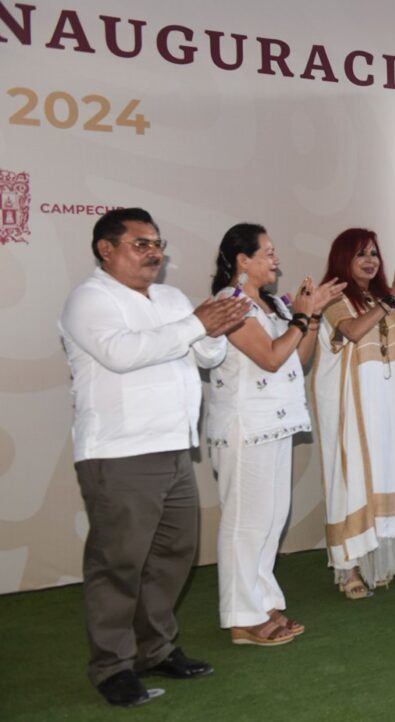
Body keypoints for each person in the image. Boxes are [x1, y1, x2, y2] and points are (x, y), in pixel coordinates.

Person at [59, 208, 250, 707]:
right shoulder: (89, 299)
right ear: (106, 249)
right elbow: (122, 354)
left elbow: (206, 357)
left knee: (172, 558)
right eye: (140, 244)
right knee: (119, 564)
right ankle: (111, 667)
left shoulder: (169, 298)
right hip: (118, 453)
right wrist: (194, 325)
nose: (154, 252)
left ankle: (155, 649)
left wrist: (212, 327)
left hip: (173, 447)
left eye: (157, 243)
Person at [206, 223, 344, 645]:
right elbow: (268, 358)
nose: (276, 259)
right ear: (242, 261)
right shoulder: (229, 305)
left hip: (276, 424)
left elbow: (296, 359)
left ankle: (263, 602)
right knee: (245, 524)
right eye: (267, 252)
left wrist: (312, 314)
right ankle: (240, 617)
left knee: (270, 521)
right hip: (245, 427)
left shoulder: (271, 307)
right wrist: (301, 315)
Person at [311, 228, 395, 599]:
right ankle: (349, 568)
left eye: (374, 253)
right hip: (350, 404)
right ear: (343, 258)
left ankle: (378, 561)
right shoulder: (332, 295)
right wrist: (391, 297)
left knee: (383, 473)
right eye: (361, 253)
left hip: (386, 403)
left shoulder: (382, 297)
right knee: (352, 477)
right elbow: (354, 331)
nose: (370, 260)